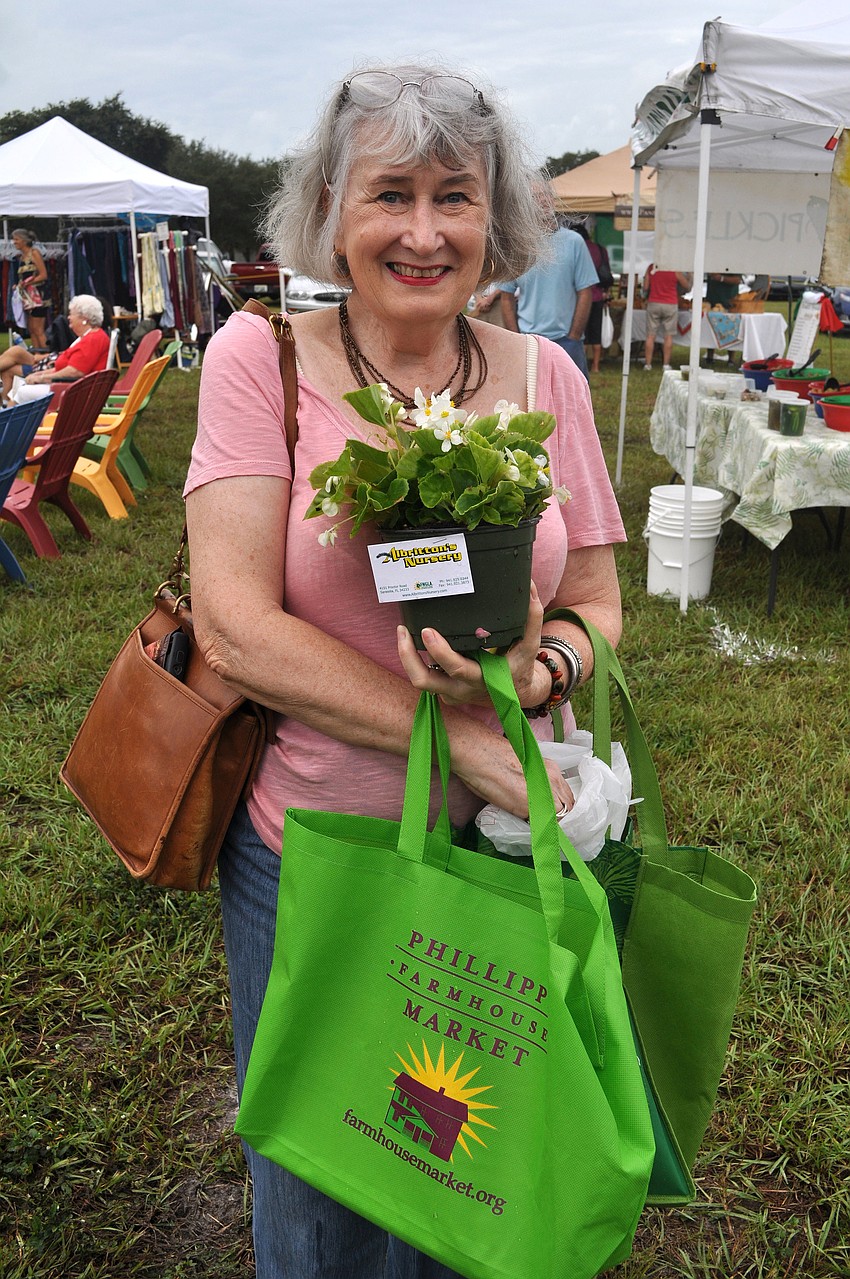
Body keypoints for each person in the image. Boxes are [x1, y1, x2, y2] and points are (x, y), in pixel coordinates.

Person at [184, 62, 626, 1279]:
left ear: (500, 223)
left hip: (498, 863)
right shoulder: (258, 362)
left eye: (456, 197)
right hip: (315, 856)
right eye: (390, 194)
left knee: (467, 1172)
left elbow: (596, 601)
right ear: (331, 210)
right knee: (324, 1191)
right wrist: (454, 741)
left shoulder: (549, 384)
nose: (423, 233)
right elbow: (233, 624)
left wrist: (543, 669)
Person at [498, 195, 598, 379]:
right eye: (535, 196)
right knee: (529, 403)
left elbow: (585, 292)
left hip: (566, 341)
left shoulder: (574, 242)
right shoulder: (517, 245)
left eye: (545, 195)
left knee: (572, 404)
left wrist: (574, 336)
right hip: (528, 343)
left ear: (553, 201)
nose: (541, 201)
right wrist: (516, 339)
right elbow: (506, 296)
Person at [0, 295, 109, 405]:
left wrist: (42, 377)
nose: (69, 318)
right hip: (68, 385)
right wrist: (39, 375)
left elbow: (74, 372)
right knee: (20, 382)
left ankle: (9, 418)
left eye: (71, 314)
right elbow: (66, 368)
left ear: (84, 318)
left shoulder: (92, 339)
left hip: (73, 389)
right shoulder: (88, 337)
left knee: (21, 391)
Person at [572, 221, 613, 374]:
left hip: (580, 299)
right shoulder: (600, 250)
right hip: (598, 296)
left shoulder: (576, 248)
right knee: (596, 332)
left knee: (582, 333)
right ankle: (596, 366)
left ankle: (580, 366)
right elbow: (607, 272)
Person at [642, 263, 691, 370]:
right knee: (668, 335)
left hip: (653, 302)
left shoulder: (651, 267)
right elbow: (686, 286)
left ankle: (648, 364)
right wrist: (689, 276)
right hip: (670, 303)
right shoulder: (673, 268)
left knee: (650, 335)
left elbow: (645, 287)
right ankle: (666, 364)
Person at [10, 228, 49, 350]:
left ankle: (46, 356)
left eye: (16, 239)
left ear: (24, 240)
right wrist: (19, 285)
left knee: (38, 329)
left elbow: (43, 274)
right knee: (31, 329)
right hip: (28, 299)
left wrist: (26, 283)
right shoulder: (21, 258)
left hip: (38, 297)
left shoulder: (34, 253)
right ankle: (37, 356)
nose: (14, 242)